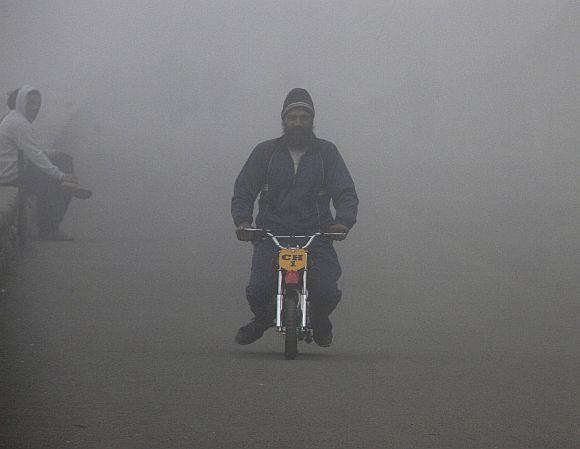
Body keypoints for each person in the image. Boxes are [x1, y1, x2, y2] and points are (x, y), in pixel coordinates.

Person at [231, 88, 359, 347]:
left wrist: (343, 222)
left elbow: (346, 192)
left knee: (326, 290)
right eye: (293, 118)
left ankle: (320, 319)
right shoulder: (264, 153)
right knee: (257, 291)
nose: (298, 123)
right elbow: (244, 190)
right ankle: (263, 319)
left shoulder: (327, 154)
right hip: (271, 235)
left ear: (312, 120)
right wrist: (243, 222)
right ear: (284, 120)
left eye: (304, 117)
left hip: (316, 236)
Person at [0, 85, 92, 241]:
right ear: (21, 102)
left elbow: (32, 149)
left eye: (38, 104)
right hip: (11, 175)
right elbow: (35, 155)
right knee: (54, 181)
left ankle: (68, 188)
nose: (35, 108)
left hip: (19, 168)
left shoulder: (17, 119)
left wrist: (53, 154)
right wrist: (61, 175)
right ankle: (49, 228)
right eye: (31, 103)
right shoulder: (18, 123)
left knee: (63, 159)